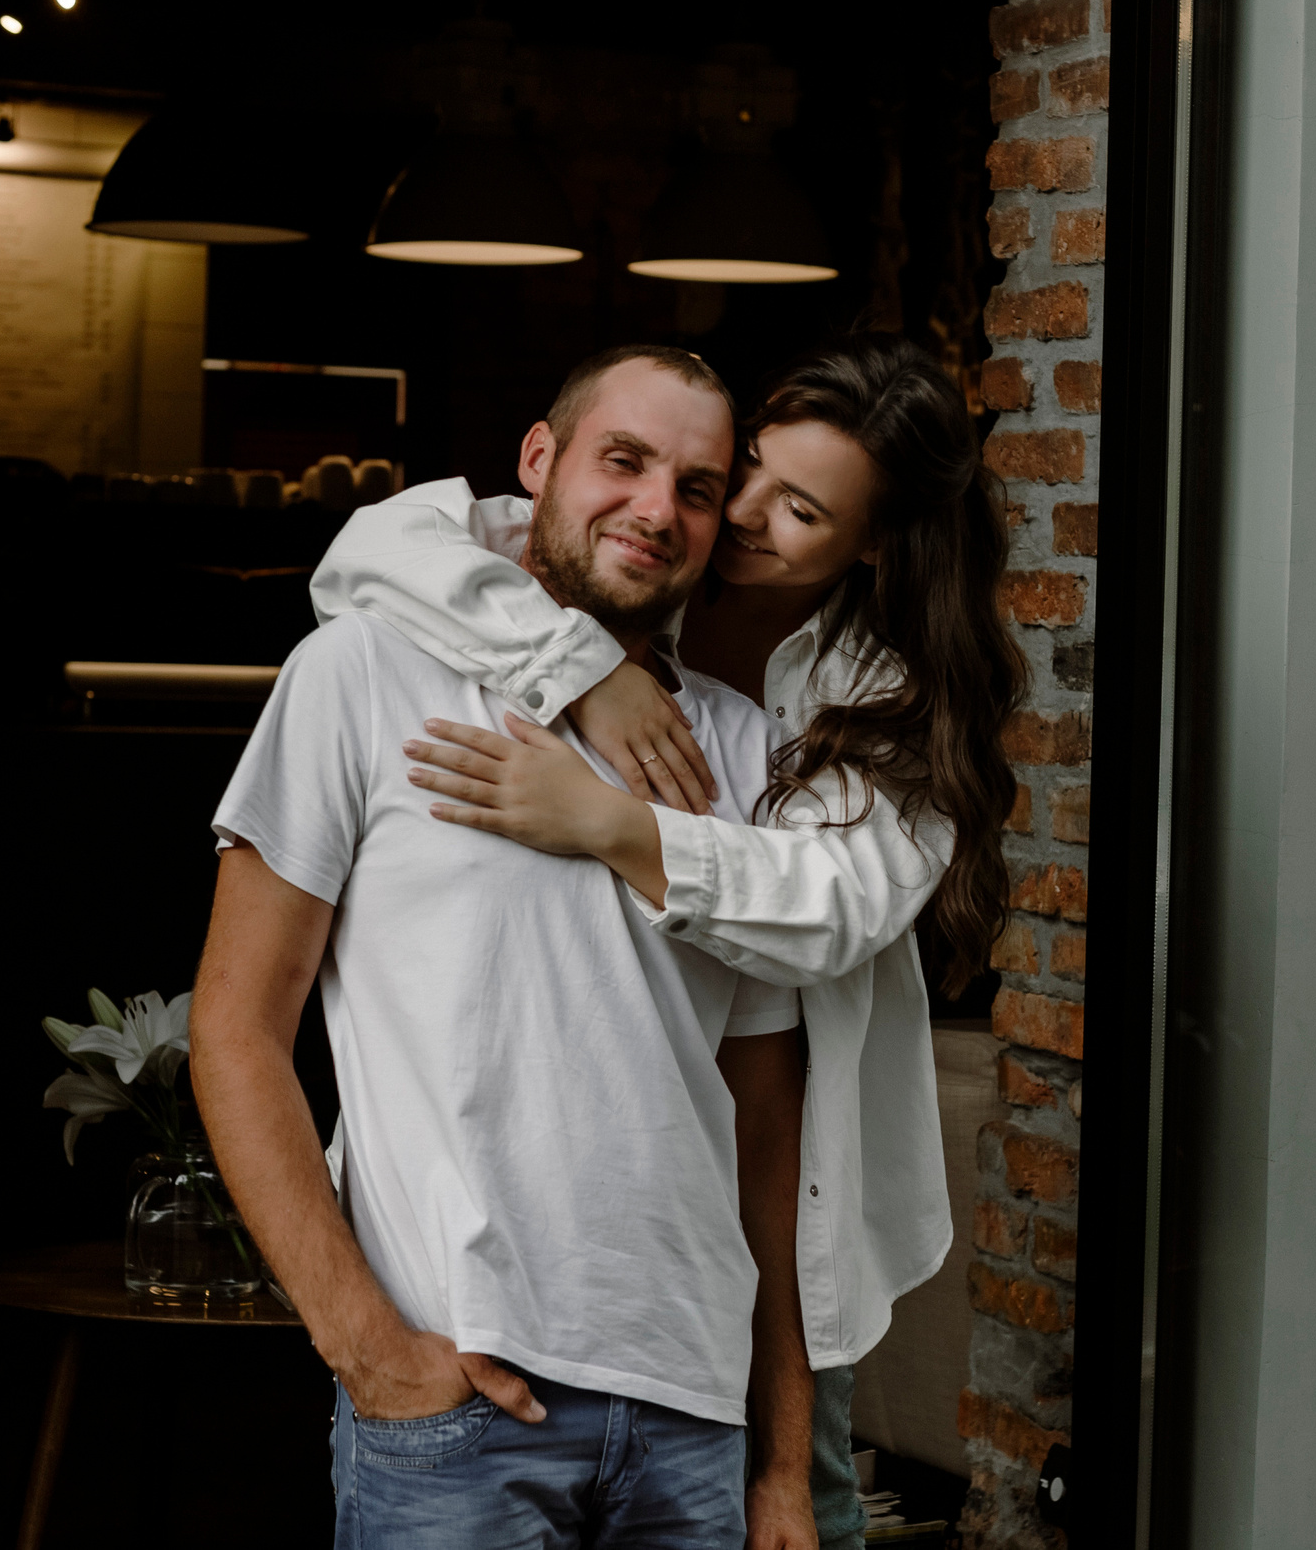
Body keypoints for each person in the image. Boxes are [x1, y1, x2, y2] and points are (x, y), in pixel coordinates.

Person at [311, 331, 1027, 1550]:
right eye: (744, 469)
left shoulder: (883, 697)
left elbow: (826, 910)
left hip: (771, 1265)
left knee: (803, 1517)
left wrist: (608, 820)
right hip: (512, 1321)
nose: (737, 514)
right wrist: (586, 667)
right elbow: (371, 549)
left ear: (870, 548)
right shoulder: (603, 566)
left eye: (798, 510)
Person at [191, 345, 825, 1550]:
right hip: (460, 1408)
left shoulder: (745, 755)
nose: (657, 508)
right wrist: (372, 1351)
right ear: (538, 461)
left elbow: (766, 1138)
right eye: (623, 461)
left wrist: (781, 1458)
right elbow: (233, 1028)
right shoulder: (362, 675)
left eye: (696, 487)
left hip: (694, 1424)